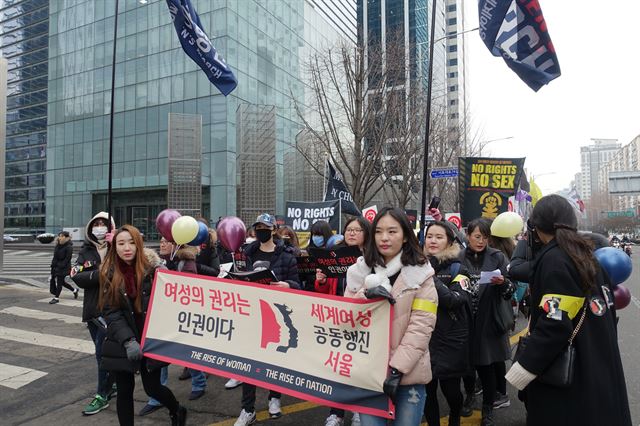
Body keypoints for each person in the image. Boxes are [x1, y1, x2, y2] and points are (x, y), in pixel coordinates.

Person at [505, 195, 631, 426]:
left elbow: (555, 324)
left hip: (571, 380)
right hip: (597, 364)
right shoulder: (586, 256)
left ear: (537, 226)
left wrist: (522, 369)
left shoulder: (555, 260)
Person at [345, 207, 438, 426]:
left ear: (406, 236)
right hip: (368, 374)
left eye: (392, 231)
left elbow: (422, 327)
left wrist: (397, 369)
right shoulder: (358, 272)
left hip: (409, 376)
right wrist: (364, 295)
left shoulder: (422, 274)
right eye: (378, 231)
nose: (384, 238)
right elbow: (344, 318)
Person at [93, 225, 187, 426]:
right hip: (122, 341)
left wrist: (168, 277)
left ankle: (177, 410)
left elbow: (171, 302)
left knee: (152, 388)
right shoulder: (109, 272)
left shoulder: (153, 270)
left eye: (131, 242)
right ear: (114, 247)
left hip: (150, 339)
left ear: (139, 244)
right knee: (124, 391)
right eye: (121, 243)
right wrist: (128, 340)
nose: (127, 247)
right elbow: (111, 311)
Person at [234, 213, 301, 426]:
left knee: (276, 360)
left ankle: (275, 398)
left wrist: (288, 285)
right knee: (248, 364)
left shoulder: (287, 256)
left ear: (273, 229)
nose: (261, 230)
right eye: (258, 227)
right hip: (251, 315)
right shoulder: (245, 254)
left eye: (265, 227)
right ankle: (247, 409)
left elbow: (298, 284)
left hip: (277, 315)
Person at [315, 216, 371, 426]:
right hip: (337, 319)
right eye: (349, 229)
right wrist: (320, 281)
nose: (352, 233)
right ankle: (336, 412)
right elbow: (324, 289)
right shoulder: (333, 256)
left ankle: (359, 410)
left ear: (366, 233)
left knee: (360, 368)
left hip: (363, 320)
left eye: (357, 230)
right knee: (338, 368)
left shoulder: (373, 258)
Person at [458, 218, 513, 426]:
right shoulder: (458, 257)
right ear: (468, 236)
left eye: (485, 237)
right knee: (466, 366)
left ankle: (488, 408)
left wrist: (503, 283)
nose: (481, 241)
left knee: (487, 366)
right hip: (464, 320)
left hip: (489, 321)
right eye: (477, 236)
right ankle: (470, 395)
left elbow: (509, 291)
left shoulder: (497, 257)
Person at [423, 222, 472, 426]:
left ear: (450, 241)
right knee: (427, 391)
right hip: (423, 337)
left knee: (451, 391)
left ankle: (455, 416)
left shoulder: (459, 267)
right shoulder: (415, 265)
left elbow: (454, 300)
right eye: (429, 236)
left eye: (439, 237)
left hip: (451, 339)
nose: (433, 240)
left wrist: (428, 276)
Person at [70, 212, 117, 415]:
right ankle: (111, 384)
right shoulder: (86, 250)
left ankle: (101, 394)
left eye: (103, 224)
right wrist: (100, 274)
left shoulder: (118, 246)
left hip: (113, 309)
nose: (99, 227)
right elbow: (77, 275)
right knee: (103, 354)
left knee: (102, 353)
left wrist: (115, 245)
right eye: (96, 224)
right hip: (92, 310)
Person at [49, 231, 78, 304]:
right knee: (62, 282)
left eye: (62, 236)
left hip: (64, 267)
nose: (60, 237)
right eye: (59, 236)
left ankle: (56, 298)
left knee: (59, 282)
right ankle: (74, 290)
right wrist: (53, 265)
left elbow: (67, 259)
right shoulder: (58, 245)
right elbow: (55, 257)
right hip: (56, 266)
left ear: (66, 237)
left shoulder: (69, 247)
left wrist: (60, 266)